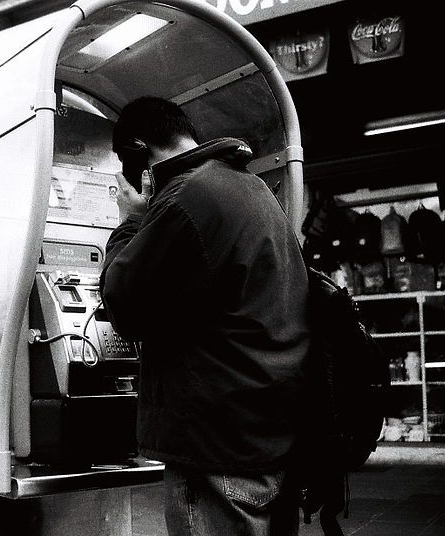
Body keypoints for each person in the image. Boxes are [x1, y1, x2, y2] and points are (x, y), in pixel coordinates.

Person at [100, 97, 310, 535]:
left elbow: (123, 303)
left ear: (139, 151)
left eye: (125, 163)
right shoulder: (248, 186)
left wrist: (129, 222)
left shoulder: (184, 198)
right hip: (265, 433)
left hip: (216, 447)